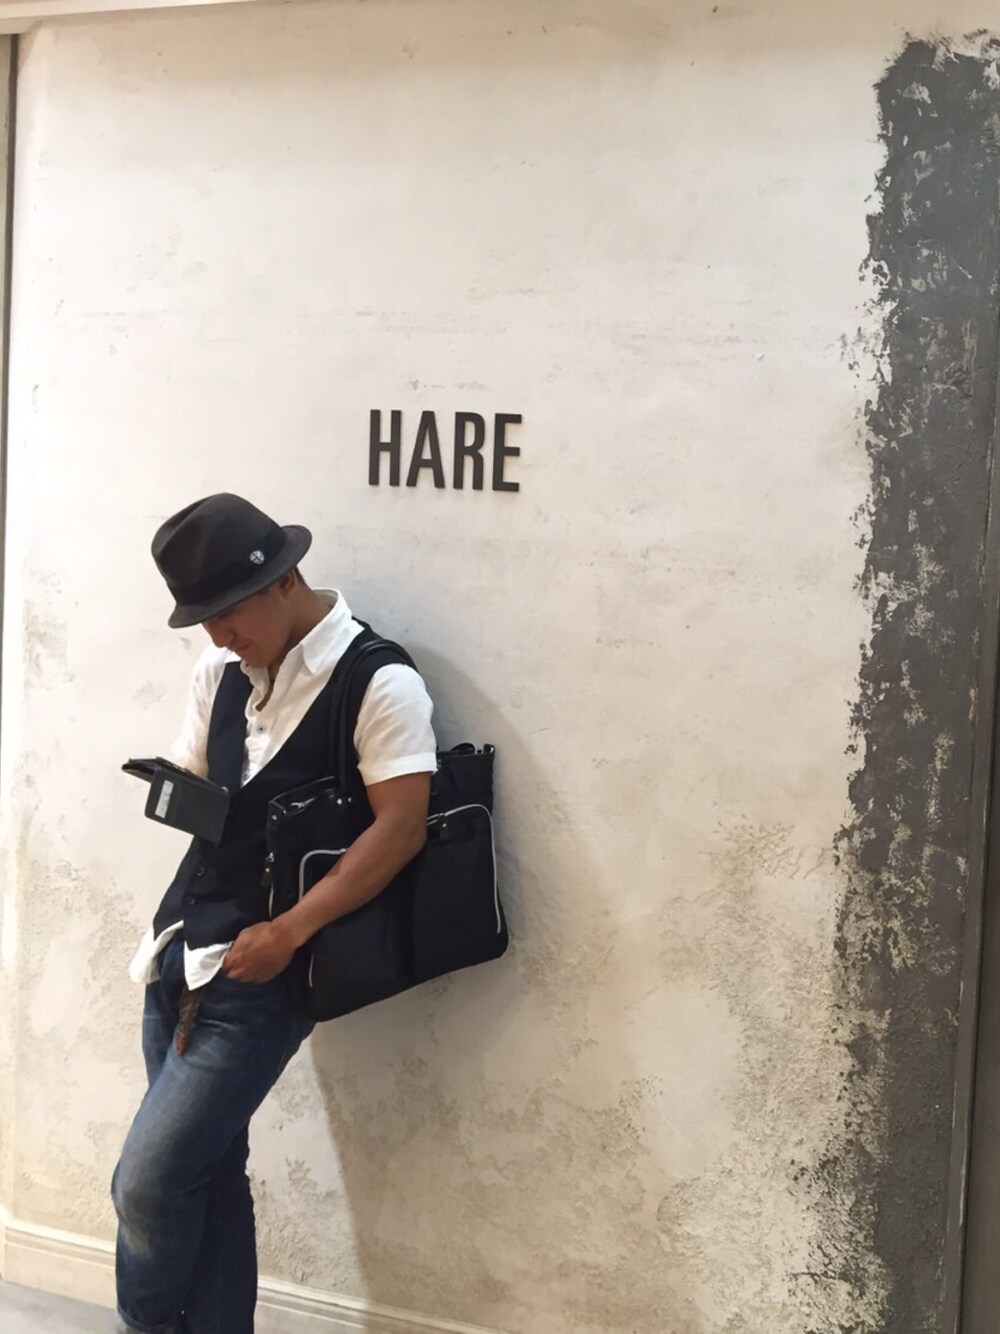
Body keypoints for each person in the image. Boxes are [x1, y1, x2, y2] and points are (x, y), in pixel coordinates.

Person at [112, 492, 436, 1334]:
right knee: (208, 1172)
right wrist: (175, 791)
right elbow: (203, 780)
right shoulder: (217, 672)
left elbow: (401, 829)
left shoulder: (377, 681)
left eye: (228, 612)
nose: (219, 635)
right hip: (179, 951)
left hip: (264, 974)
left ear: (285, 579)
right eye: (203, 619)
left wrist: (288, 931)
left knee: (145, 1184)